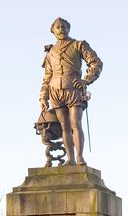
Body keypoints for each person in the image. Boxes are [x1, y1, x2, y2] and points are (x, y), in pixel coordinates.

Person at [39, 17, 103, 166]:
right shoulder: (50, 53)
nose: (61, 29)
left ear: (68, 28)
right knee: (64, 126)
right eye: (58, 27)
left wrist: (86, 80)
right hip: (55, 91)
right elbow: (47, 76)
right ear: (53, 31)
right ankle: (70, 159)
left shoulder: (78, 45)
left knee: (76, 123)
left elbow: (96, 63)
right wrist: (43, 97)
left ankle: (79, 158)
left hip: (73, 88)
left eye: (64, 27)